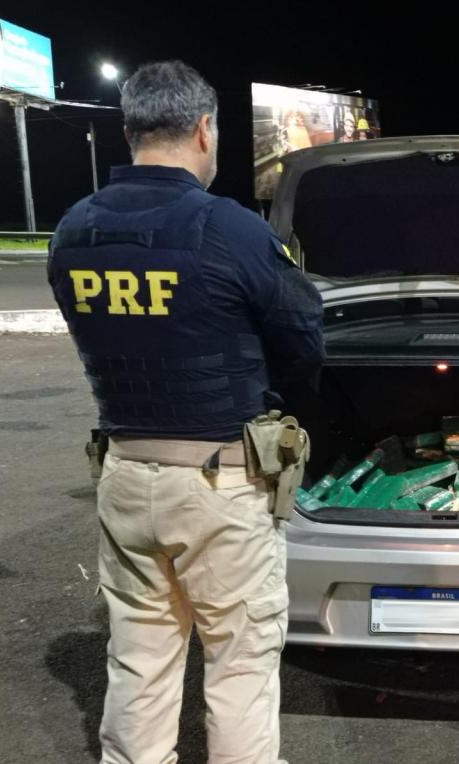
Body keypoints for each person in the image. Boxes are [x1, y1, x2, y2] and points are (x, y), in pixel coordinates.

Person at [48, 60, 324, 764]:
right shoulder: (228, 228)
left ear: (131, 130)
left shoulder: (73, 230)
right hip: (219, 485)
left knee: (138, 654)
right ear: (205, 129)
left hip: (124, 473)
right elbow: (303, 340)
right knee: (240, 660)